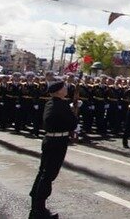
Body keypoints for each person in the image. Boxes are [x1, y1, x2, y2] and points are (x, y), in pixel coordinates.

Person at [29, 79, 78, 219]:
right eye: (64, 87)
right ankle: (38, 210)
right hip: (56, 141)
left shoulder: (56, 103)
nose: (66, 89)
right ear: (58, 91)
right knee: (48, 175)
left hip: (55, 140)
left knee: (44, 173)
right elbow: (52, 120)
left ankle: (37, 206)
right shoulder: (58, 104)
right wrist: (71, 120)